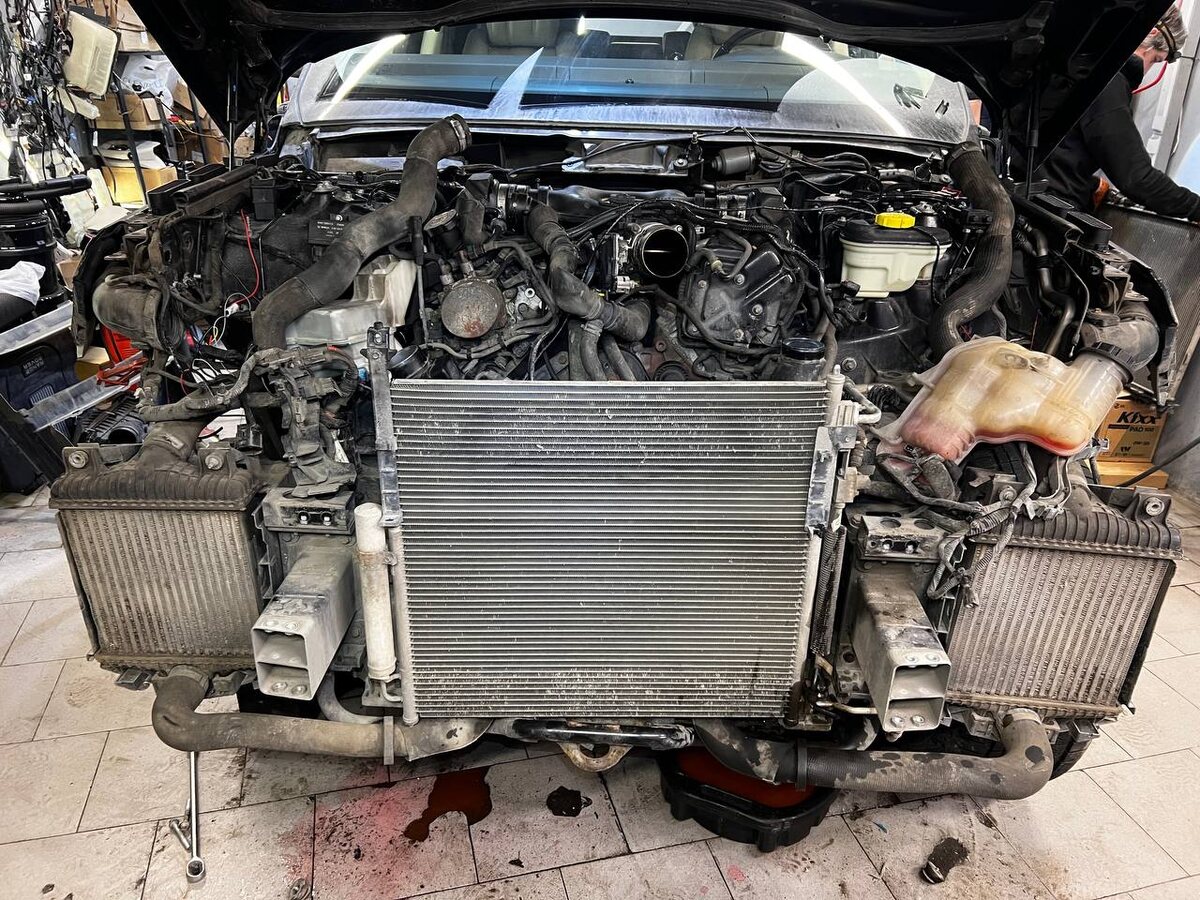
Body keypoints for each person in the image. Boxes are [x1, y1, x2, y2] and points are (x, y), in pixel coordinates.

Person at [1039, 7, 1200, 219]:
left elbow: (1058, 151)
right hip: (1050, 211)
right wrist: (1195, 208)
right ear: (1151, 32)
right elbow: (1136, 178)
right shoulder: (1108, 82)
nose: (1148, 70)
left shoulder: (1071, 65)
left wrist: (1089, 184)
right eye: (1155, 59)